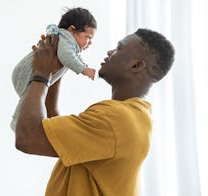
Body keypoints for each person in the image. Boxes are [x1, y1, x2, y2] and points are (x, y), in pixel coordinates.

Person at [15, 28, 175, 195]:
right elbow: (57, 135)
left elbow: (28, 137)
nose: (110, 51)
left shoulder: (115, 119)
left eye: (119, 48)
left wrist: (41, 74)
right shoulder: (136, 117)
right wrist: (57, 71)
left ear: (136, 65)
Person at [10, 7, 97, 131]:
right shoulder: (66, 39)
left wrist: (82, 64)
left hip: (33, 76)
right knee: (27, 101)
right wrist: (83, 69)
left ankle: (21, 124)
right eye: (88, 37)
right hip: (26, 73)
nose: (90, 43)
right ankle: (17, 123)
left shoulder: (69, 43)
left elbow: (74, 56)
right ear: (72, 30)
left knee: (32, 101)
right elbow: (66, 56)